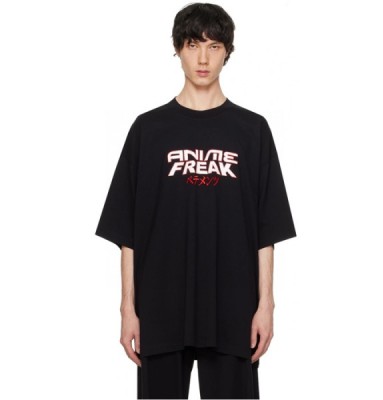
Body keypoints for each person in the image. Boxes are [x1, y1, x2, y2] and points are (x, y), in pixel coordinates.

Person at [95, 2, 296, 399]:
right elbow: (127, 231)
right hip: (160, 306)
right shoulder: (148, 130)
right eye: (192, 45)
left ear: (227, 52)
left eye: (214, 46)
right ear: (177, 49)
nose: (203, 58)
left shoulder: (252, 130)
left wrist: (266, 306)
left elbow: (266, 230)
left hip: (234, 307)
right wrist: (127, 309)